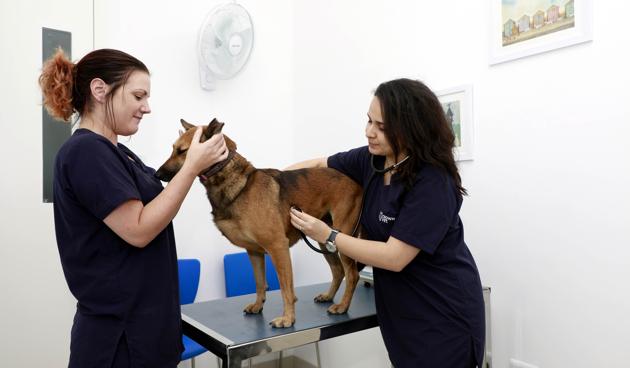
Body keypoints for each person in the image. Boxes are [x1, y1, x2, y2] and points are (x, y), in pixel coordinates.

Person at [39, 48, 228, 368]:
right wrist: (191, 168)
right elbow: (139, 229)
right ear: (100, 90)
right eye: (138, 95)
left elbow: (156, 205)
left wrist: (201, 166)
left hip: (146, 334)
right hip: (119, 343)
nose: (147, 107)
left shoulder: (119, 154)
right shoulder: (85, 151)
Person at [288, 78, 485, 368]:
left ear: (409, 129)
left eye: (381, 127)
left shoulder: (432, 182)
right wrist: (269, 185)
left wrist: (327, 234)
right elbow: (318, 165)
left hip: (442, 315)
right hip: (401, 313)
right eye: (369, 121)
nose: (369, 132)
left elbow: (394, 258)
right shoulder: (373, 160)